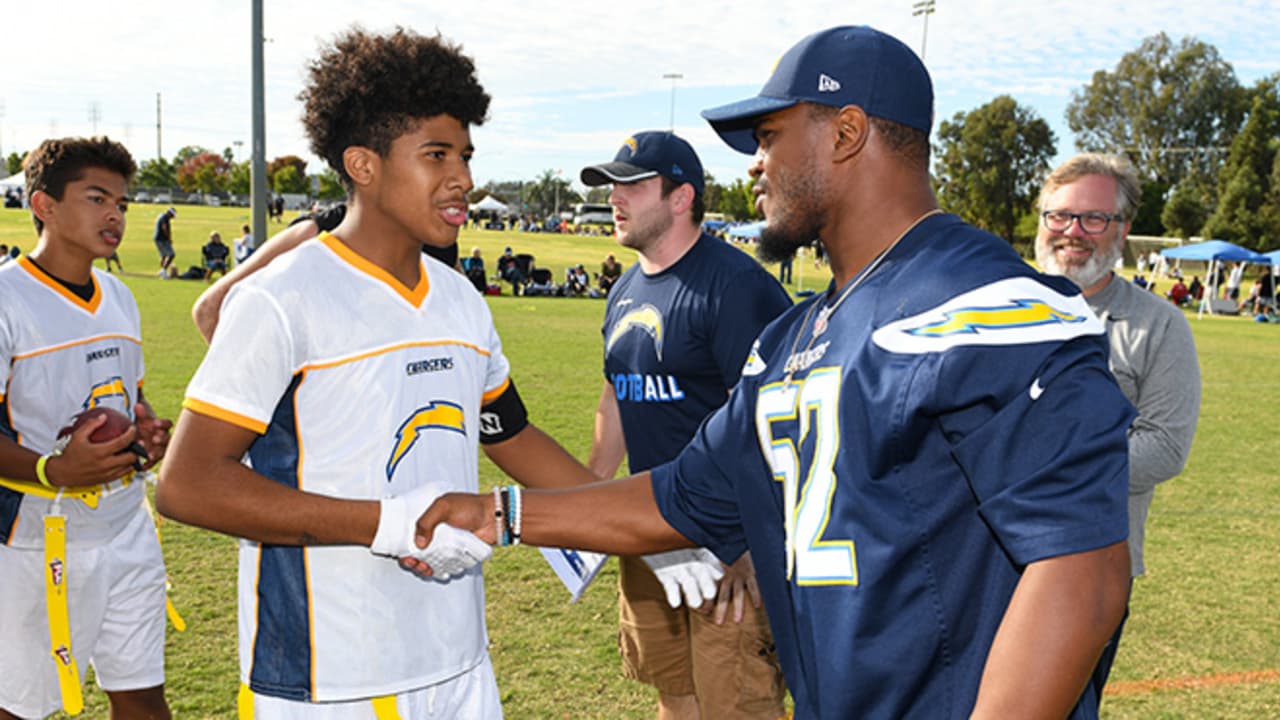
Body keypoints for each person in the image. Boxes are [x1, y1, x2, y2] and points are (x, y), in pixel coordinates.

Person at [412, 26, 1133, 720]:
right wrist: (498, 515)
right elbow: (679, 497)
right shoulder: (796, 335)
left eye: (768, 138)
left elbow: (1083, 571)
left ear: (847, 134)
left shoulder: (988, 306)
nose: (754, 166)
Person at [156, 27, 598, 719]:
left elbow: (509, 434)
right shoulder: (281, 296)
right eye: (436, 155)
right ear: (363, 164)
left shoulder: (459, 298)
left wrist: (636, 527)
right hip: (330, 677)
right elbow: (188, 485)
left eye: (466, 155)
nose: (464, 180)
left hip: (458, 662)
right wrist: (387, 525)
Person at [579, 130, 791, 719]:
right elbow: (616, 391)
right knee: (674, 694)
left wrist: (748, 545)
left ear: (681, 197)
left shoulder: (735, 286)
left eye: (632, 185)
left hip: (723, 549)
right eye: (611, 186)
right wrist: (593, 499)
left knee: (736, 705)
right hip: (647, 533)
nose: (615, 198)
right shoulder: (623, 288)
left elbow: (768, 424)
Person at [0, 136, 173, 720]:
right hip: (34, 540)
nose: (114, 216)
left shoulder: (120, 295)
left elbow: (131, 399)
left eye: (122, 203)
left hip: (127, 528)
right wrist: (54, 470)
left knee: (144, 697)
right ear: (43, 205)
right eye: (97, 198)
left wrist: (145, 438)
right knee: (22, 708)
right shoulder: (6, 298)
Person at [1035, 152, 1201, 697]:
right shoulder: (993, 308)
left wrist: (1043, 467)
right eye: (1059, 216)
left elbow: (1166, 447)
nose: (1073, 232)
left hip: (1092, 564)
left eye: (1094, 219)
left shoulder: (1159, 325)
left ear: (1123, 229)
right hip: (978, 555)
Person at [153, 206, 176, 277]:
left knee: (164, 255)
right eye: (172, 215)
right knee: (172, 254)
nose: (172, 217)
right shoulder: (165, 218)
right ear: (169, 213)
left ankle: (162, 272)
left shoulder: (161, 216)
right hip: (162, 239)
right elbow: (164, 227)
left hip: (157, 238)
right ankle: (163, 271)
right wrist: (169, 238)